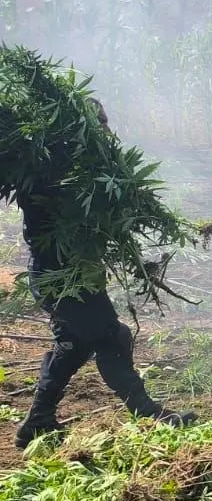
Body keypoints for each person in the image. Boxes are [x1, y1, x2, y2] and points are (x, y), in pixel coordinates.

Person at [13, 99, 197, 449]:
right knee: (112, 338)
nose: (105, 132)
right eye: (98, 125)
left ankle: (37, 422)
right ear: (74, 129)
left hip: (74, 275)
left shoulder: (74, 170)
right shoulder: (45, 175)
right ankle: (149, 415)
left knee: (73, 345)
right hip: (62, 279)